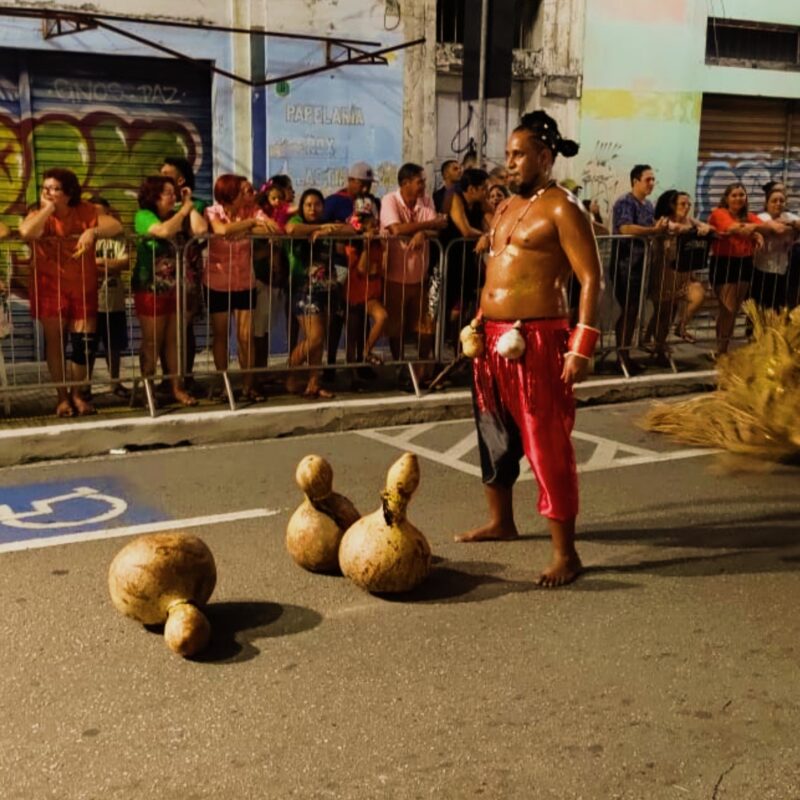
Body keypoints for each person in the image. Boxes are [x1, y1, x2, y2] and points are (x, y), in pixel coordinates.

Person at [454, 110, 602, 589]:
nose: (510, 162)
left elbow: (591, 277)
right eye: (508, 154)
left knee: (545, 443)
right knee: (493, 433)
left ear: (545, 156)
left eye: (519, 154)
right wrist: (478, 322)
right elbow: (499, 270)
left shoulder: (563, 207)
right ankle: (501, 521)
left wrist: (581, 344)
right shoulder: (505, 207)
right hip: (491, 338)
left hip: (538, 341)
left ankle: (566, 553)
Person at [19, 168, 122, 417]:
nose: (49, 193)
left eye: (55, 189)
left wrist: (92, 231)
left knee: (82, 344)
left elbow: (116, 226)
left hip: (82, 286)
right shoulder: (39, 213)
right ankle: (62, 397)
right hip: (49, 287)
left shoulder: (86, 210)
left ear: (69, 193)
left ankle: (77, 393)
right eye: (46, 188)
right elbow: (26, 232)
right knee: (55, 342)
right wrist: (47, 209)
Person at [133, 175, 206, 406]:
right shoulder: (144, 216)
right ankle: (148, 388)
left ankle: (176, 387)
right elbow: (163, 232)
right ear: (154, 196)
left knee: (174, 340)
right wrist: (183, 211)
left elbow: (201, 230)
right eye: (168, 193)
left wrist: (188, 204)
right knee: (152, 341)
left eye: (174, 192)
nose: (173, 197)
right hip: (151, 287)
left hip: (177, 287)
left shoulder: (180, 215)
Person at [205, 174, 277, 402]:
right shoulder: (213, 211)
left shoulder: (252, 210)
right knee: (221, 335)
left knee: (246, 335)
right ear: (230, 194)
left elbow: (273, 228)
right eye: (241, 191)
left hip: (244, 281)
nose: (247, 194)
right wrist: (250, 225)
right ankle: (224, 382)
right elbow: (221, 231)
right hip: (217, 282)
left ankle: (248, 384)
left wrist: (247, 226)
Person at [379, 163, 448, 385]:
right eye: (420, 181)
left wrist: (423, 232)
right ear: (406, 183)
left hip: (420, 276)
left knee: (425, 324)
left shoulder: (425, 201)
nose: (423, 185)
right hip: (394, 276)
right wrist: (427, 226)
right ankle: (400, 367)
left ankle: (420, 368)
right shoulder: (389, 200)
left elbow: (438, 229)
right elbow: (396, 229)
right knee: (396, 327)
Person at [284, 188, 351, 398]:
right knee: (315, 337)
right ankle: (291, 373)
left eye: (317, 204)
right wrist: (319, 228)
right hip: (305, 289)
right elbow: (291, 230)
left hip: (328, 289)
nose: (313, 209)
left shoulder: (329, 224)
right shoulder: (298, 222)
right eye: (308, 205)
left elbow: (351, 229)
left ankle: (314, 382)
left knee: (319, 341)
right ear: (302, 207)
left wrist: (328, 231)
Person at [611, 165, 669, 375]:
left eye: (653, 179)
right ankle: (622, 355)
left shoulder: (648, 205)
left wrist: (660, 228)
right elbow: (625, 228)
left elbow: (652, 226)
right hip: (626, 264)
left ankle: (626, 353)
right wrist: (653, 230)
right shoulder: (625, 202)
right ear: (635, 181)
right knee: (629, 310)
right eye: (647, 179)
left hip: (643, 265)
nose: (652, 183)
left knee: (634, 311)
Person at [646, 190, 710, 362]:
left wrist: (704, 228)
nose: (686, 207)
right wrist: (694, 230)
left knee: (698, 294)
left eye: (689, 204)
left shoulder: (690, 220)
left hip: (683, 273)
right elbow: (675, 228)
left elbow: (707, 227)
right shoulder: (664, 220)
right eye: (682, 204)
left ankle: (680, 327)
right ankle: (658, 347)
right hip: (665, 273)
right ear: (672, 205)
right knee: (664, 313)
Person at [160, 157, 207, 390]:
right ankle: (168, 378)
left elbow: (200, 231)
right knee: (163, 327)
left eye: (166, 174)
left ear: (180, 180)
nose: (160, 178)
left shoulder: (196, 204)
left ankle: (186, 376)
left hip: (187, 274)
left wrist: (187, 203)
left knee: (184, 327)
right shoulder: (157, 203)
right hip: (162, 274)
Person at [707, 182, 767, 356]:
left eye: (741, 195)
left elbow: (767, 226)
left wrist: (755, 229)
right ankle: (721, 349)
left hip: (745, 262)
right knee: (727, 309)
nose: (738, 198)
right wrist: (755, 232)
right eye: (734, 195)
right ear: (726, 198)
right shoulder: (719, 213)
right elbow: (733, 228)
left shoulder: (749, 216)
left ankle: (724, 347)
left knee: (734, 311)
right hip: (725, 263)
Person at [89, 196, 130, 400]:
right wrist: (107, 264)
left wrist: (100, 261)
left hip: (114, 300)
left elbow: (124, 263)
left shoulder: (117, 235)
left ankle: (115, 382)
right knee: (88, 345)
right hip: (90, 300)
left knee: (114, 345)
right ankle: (84, 386)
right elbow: (84, 265)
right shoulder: (86, 236)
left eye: (101, 213)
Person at [344, 200, 388, 372]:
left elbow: (382, 269)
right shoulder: (353, 243)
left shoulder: (379, 243)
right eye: (370, 225)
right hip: (356, 293)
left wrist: (384, 247)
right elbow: (362, 269)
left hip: (371, 293)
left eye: (375, 224)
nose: (374, 228)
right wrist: (365, 246)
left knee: (381, 317)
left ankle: (366, 351)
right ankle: (351, 371)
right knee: (353, 334)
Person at [753, 185, 800, 311]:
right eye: (774, 201)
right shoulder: (762, 217)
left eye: (781, 201)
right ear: (767, 203)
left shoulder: (788, 216)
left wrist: (791, 223)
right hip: (762, 270)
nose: (778, 204)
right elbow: (778, 229)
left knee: (778, 309)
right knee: (760, 309)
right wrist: (793, 229)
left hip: (782, 270)